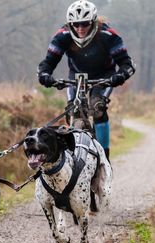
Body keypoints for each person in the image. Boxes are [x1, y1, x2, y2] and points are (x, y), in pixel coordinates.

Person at [37, 0, 135, 161]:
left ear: (93, 21)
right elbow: (48, 62)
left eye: (84, 24)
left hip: (104, 76)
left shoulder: (108, 35)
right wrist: (45, 75)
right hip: (76, 76)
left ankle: (104, 158)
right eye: (75, 24)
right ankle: (74, 157)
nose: (80, 28)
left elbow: (127, 64)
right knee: (72, 112)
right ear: (70, 24)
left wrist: (120, 76)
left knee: (97, 108)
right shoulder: (63, 36)